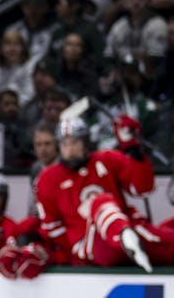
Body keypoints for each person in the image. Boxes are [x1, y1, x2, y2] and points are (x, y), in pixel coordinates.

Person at [36, 115, 174, 272]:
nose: (70, 150)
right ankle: (124, 237)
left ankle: (128, 239)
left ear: (86, 142)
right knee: (100, 202)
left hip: (132, 230)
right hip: (89, 245)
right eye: (64, 144)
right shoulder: (48, 178)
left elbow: (142, 188)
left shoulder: (107, 159)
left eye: (75, 142)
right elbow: (52, 228)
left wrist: (133, 149)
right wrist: (74, 254)